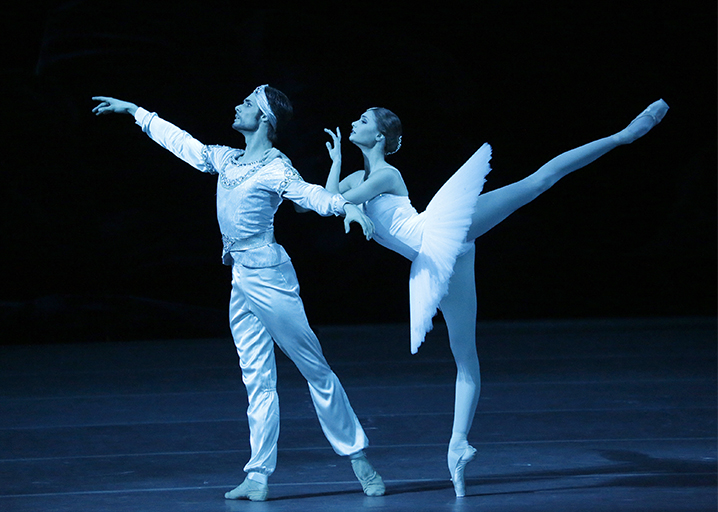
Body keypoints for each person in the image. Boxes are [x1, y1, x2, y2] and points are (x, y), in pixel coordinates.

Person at [323, 99, 669, 497]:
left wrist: (344, 200)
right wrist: (334, 166)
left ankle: (623, 135)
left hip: (439, 233)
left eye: (362, 119)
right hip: (437, 262)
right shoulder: (354, 177)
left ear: (379, 136)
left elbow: (341, 201)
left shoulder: (386, 174)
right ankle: (457, 445)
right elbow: (332, 202)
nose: (353, 121)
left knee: (536, 183)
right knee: (465, 357)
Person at [91, 85, 385, 502]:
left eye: (246, 103)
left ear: (265, 118)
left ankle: (360, 462)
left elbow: (308, 194)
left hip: (270, 276)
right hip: (241, 278)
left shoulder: (275, 167)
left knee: (313, 367)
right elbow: (185, 145)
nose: (236, 105)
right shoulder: (227, 158)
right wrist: (136, 111)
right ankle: (259, 475)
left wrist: (344, 206)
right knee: (257, 379)